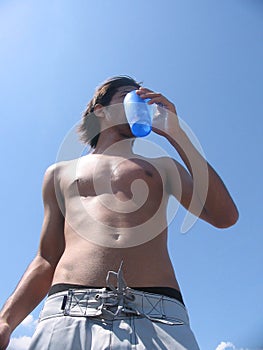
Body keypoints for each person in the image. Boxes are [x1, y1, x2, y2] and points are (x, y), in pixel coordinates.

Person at [0, 76, 238, 350]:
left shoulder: (162, 166)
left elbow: (225, 216)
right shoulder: (59, 173)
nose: (141, 102)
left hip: (159, 315)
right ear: (101, 111)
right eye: (129, 96)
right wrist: (6, 321)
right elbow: (46, 258)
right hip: (67, 312)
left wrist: (177, 133)